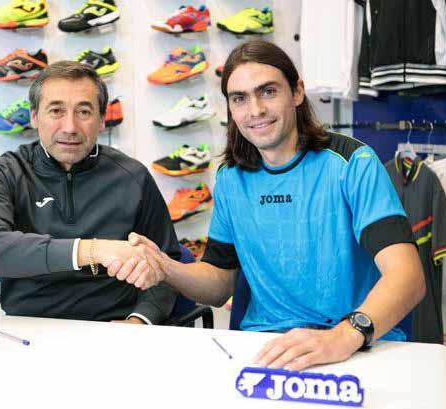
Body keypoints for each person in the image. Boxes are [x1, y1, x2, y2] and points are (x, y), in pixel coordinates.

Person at [117, 40, 426, 369]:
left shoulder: (353, 162)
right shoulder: (231, 178)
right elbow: (219, 283)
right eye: (239, 98)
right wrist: (166, 268)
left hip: (352, 345)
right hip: (267, 346)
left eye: (267, 92)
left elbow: (408, 276)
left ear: (297, 93)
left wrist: (343, 336)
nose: (255, 110)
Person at [0, 60, 179, 325]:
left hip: (114, 328)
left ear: (102, 120)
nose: (70, 127)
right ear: (34, 116)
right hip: (28, 329)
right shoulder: (1, 173)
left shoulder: (133, 176)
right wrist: (92, 250)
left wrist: (140, 319)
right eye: (56, 110)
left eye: (83, 112)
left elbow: (166, 264)